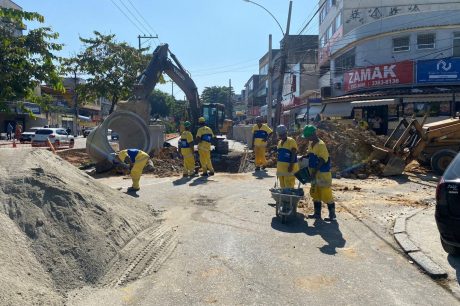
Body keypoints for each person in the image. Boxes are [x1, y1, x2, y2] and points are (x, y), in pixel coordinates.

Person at [301, 125, 336, 221]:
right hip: (314, 172)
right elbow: (311, 155)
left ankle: (332, 215)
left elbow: (322, 160)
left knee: (326, 193)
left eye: (307, 136)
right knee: (315, 193)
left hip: (322, 173)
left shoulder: (321, 145)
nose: (307, 138)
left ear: (312, 134)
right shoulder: (311, 143)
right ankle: (317, 214)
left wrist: (314, 172)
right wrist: (304, 157)